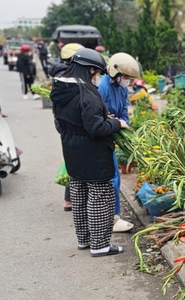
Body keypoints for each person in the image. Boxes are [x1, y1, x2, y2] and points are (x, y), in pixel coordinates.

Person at [50, 48, 128, 257]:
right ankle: (100, 245)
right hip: (93, 154)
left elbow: (63, 122)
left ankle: (84, 240)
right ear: (90, 69)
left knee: (80, 195)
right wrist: (115, 123)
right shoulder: (87, 94)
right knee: (100, 197)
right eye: (97, 73)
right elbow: (97, 129)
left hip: (72, 151)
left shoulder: (61, 90)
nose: (98, 77)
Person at [97, 52, 140, 233]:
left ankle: (111, 215)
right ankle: (112, 218)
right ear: (115, 73)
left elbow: (123, 110)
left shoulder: (122, 89)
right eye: (126, 77)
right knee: (112, 177)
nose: (127, 81)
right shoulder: (102, 87)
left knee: (115, 177)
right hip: (103, 135)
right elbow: (98, 114)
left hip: (114, 133)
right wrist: (112, 121)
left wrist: (124, 123)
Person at [48, 43, 85, 212]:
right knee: (79, 160)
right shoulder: (71, 76)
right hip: (73, 122)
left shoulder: (58, 75)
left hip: (60, 121)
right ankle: (76, 200)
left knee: (72, 157)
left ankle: (69, 200)